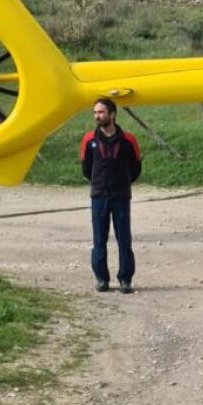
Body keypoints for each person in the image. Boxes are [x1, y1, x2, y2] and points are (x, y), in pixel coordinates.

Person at [80, 97, 142, 293]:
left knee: (124, 239)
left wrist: (122, 182)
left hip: (121, 197)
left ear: (112, 114)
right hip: (99, 196)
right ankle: (101, 279)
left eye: (101, 112)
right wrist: (100, 183)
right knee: (99, 239)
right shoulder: (89, 139)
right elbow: (86, 168)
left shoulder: (128, 140)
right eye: (95, 113)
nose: (97, 116)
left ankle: (125, 280)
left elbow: (136, 167)